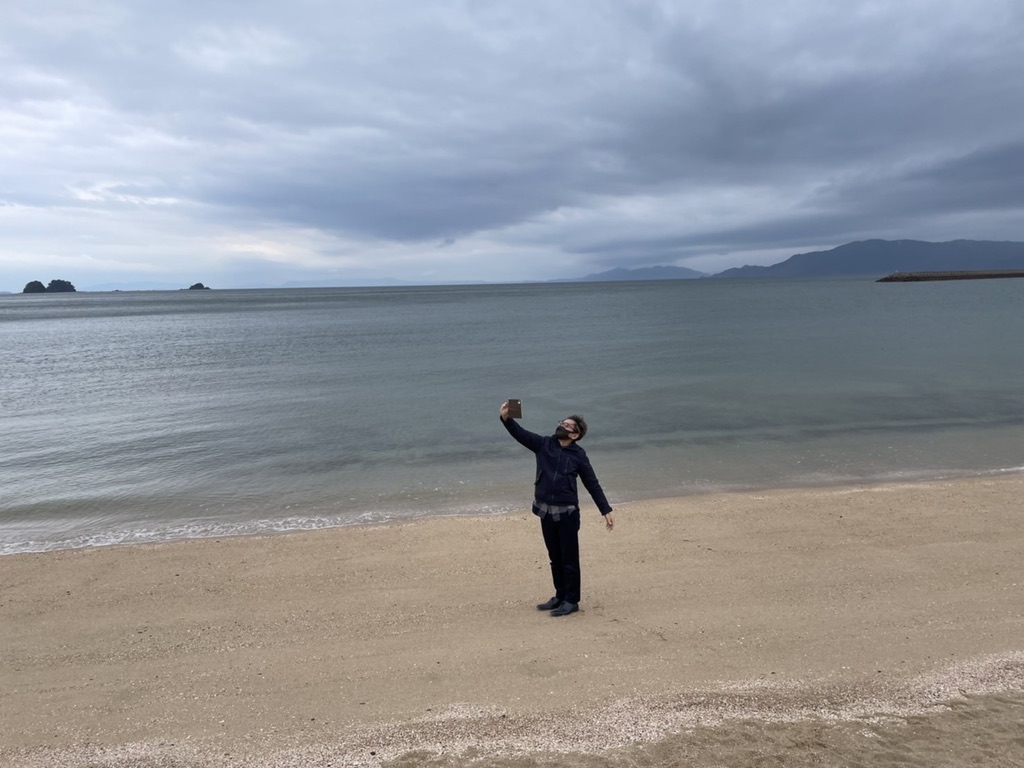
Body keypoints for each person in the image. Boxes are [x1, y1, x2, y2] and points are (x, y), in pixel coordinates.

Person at [499, 400, 614, 617]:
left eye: (567, 425)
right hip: (545, 512)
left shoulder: (579, 455)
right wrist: (506, 418)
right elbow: (520, 434)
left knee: (569, 559)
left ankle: (572, 600)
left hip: (567, 513)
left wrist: (605, 509)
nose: (562, 425)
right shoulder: (543, 444)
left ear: (575, 435)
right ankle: (560, 595)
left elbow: (592, 483)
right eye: (562, 422)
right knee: (554, 557)